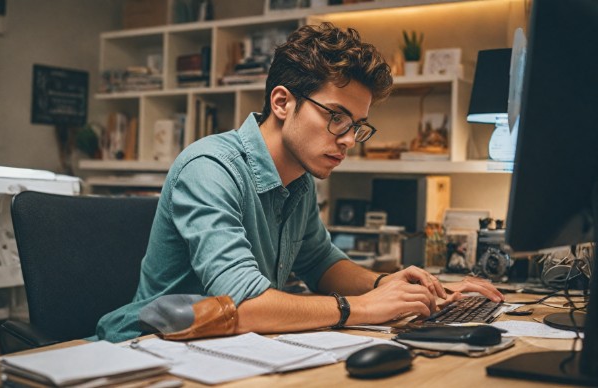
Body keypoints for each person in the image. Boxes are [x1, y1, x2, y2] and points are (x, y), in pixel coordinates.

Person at [97, 23, 504, 343]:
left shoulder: (300, 179)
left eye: (357, 125)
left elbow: (321, 263)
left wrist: (395, 284)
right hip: (151, 351)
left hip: (233, 352)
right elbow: (246, 303)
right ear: (281, 102)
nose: (347, 138)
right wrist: (363, 307)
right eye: (336, 117)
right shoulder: (209, 168)